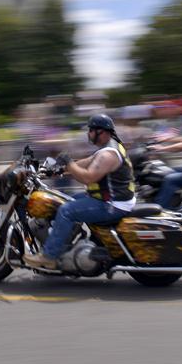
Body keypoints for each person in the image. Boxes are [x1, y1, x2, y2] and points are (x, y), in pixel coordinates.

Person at [25, 114, 136, 270]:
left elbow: (88, 178)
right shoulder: (108, 148)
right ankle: (66, 242)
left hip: (113, 204)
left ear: (101, 132)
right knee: (63, 200)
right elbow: (88, 161)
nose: (88, 134)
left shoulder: (108, 154)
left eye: (91, 130)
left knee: (66, 211)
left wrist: (69, 163)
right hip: (109, 198)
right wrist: (59, 169)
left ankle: (49, 256)